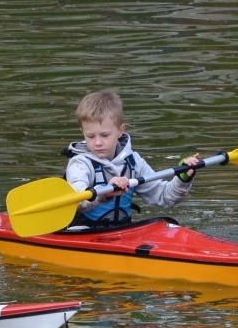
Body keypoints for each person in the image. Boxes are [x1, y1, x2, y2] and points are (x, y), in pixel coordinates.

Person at [64, 90, 204, 229]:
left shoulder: (134, 162)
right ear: (83, 132)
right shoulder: (80, 163)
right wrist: (103, 193)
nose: (98, 142)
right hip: (83, 233)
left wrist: (183, 179)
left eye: (105, 135)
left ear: (120, 130)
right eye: (90, 136)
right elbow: (76, 201)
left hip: (123, 231)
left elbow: (164, 198)